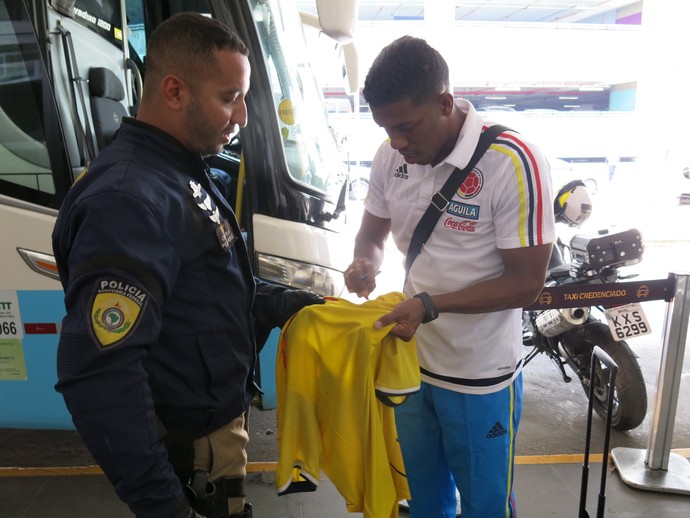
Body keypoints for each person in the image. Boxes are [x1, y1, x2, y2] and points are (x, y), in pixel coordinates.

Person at [52, 12, 322, 518]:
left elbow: (198, 291)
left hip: (214, 435)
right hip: (190, 453)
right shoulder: (129, 200)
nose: (242, 117)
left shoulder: (178, 170)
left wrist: (278, 303)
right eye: (229, 98)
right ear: (174, 91)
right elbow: (98, 374)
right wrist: (167, 507)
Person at [344, 36, 555, 518]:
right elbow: (372, 235)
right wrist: (366, 263)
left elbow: (527, 284)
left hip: (479, 375)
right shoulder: (391, 155)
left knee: (484, 505)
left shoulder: (511, 162)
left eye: (405, 127)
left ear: (444, 103)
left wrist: (429, 305)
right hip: (409, 363)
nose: (397, 142)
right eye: (386, 128)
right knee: (424, 499)